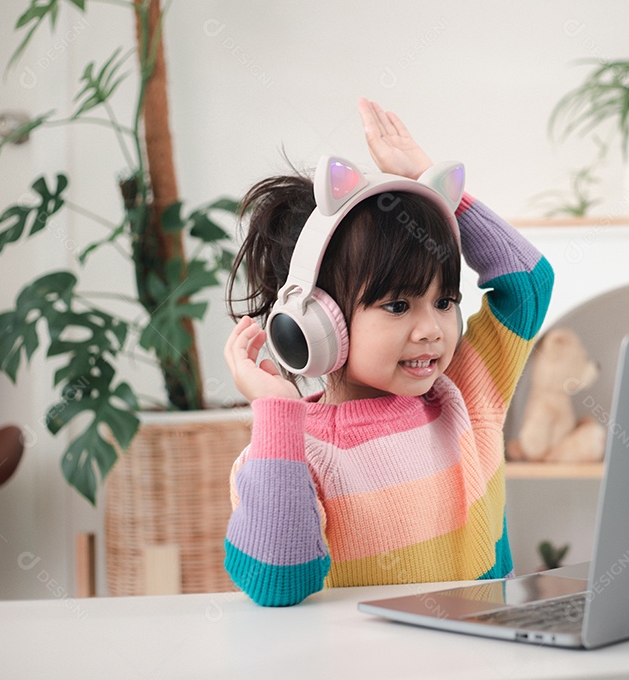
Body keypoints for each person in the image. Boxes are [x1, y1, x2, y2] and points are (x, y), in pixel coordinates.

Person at [222, 99, 554, 606]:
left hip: (485, 659)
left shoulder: (466, 393)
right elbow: (278, 583)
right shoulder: (289, 451)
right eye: (398, 305)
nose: (432, 330)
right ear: (317, 323)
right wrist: (275, 412)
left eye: (444, 301)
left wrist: (433, 188)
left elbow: (529, 285)